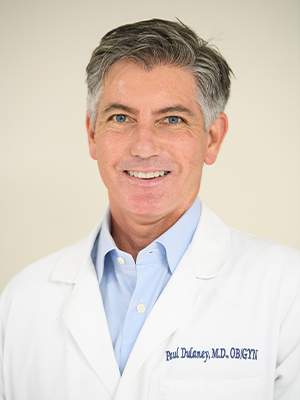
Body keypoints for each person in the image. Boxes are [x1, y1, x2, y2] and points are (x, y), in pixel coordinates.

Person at [0, 18, 299, 400]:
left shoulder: (289, 292)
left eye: (172, 119)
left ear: (212, 138)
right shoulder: (23, 299)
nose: (143, 147)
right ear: (93, 134)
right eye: (121, 118)